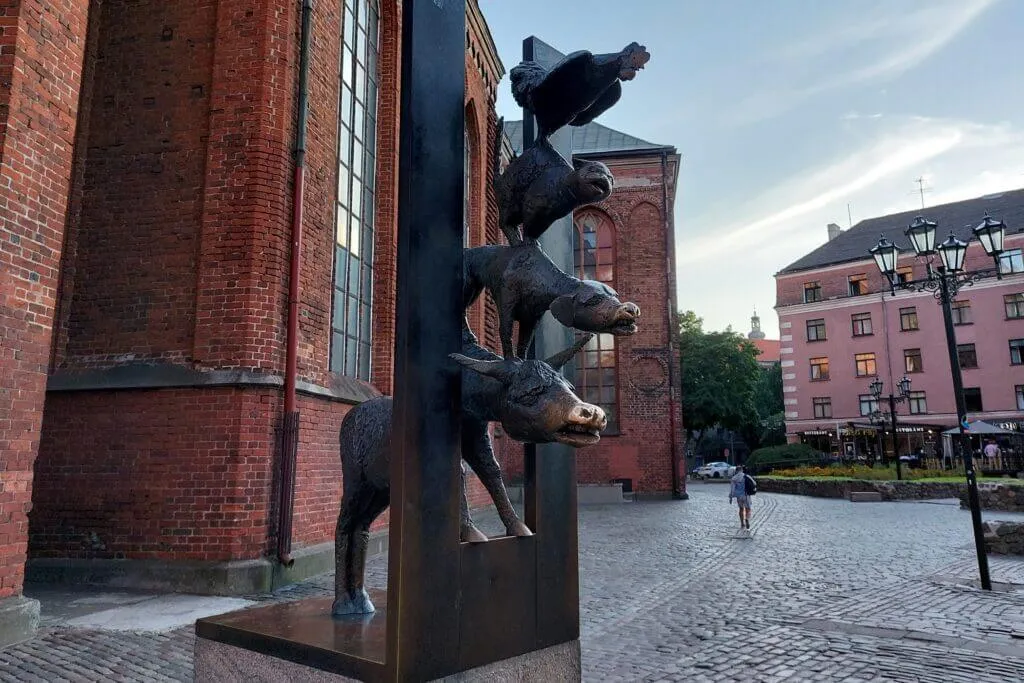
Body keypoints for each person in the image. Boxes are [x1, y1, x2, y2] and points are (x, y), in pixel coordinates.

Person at [728, 465, 754, 531]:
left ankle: (742, 523)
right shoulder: (746, 476)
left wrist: (731, 498)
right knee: (748, 509)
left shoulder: (734, 478)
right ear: (742, 470)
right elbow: (754, 483)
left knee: (741, 509)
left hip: (739, 497)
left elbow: (732, 489)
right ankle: (747, 519)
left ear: (736, 470)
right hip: (746, 495)